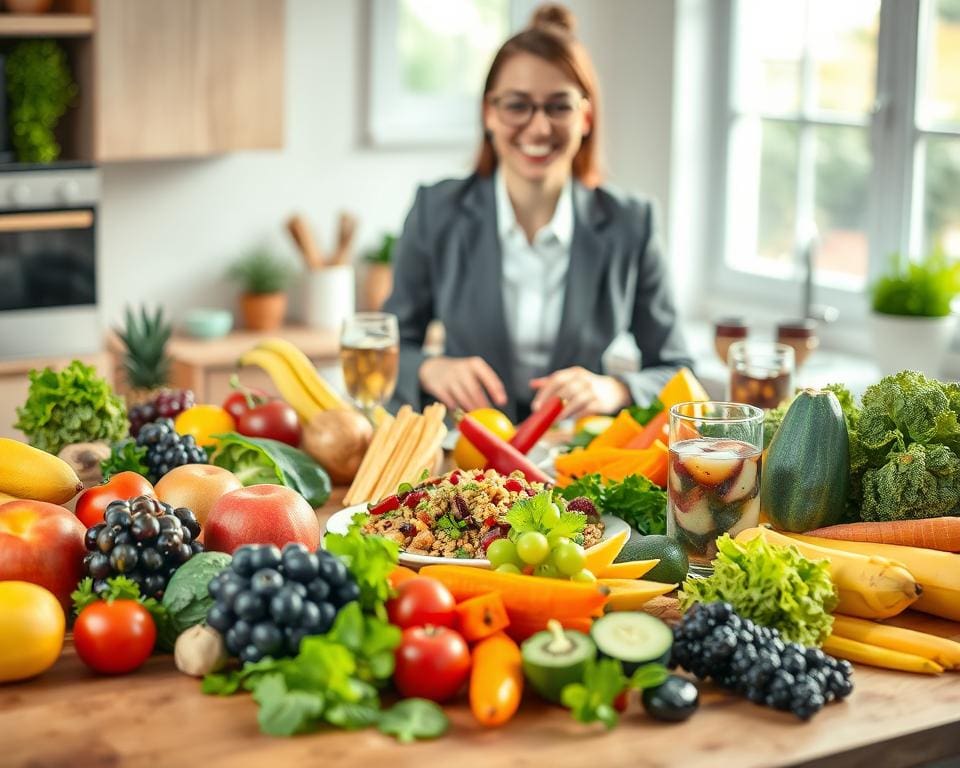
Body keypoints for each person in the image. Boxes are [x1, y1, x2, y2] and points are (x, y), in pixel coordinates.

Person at [384, 3, 693, 424]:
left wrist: (614, 388)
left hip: (577, 469)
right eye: (517, 105)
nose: (539, 127)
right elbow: (385, 348)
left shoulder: (632, 224)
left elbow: (678, 373)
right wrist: (428, 367)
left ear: (585, 116)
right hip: (465, 463)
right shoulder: (435, 211)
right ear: (488, 115)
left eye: (558, 106)